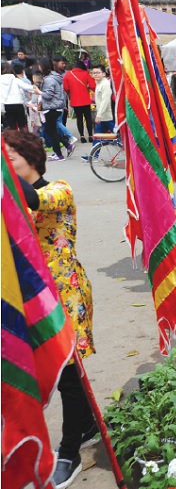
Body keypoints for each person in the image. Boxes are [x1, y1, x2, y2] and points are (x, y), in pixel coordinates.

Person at [4, 129, 97, 489]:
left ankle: (69, 451)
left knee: (68, 375)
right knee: (37, 369)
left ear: (32, 158)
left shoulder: (59, 189)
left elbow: (32, 200)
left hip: (64, 293)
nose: (7, 159)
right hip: (27, 298)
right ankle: (86, 424)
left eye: (11, 154)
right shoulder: (8, 200)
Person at [39, 57, 75, 161]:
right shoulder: (52, 77)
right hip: (55, 107)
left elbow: (48, 95)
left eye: (40, 65)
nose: (39, 67)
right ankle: (66, 146)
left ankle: (59, 154)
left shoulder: (49, 79)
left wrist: (39, 92)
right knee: (51, 131)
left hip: (52, 107)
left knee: (51, 132)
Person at [63, 59, 96, 143]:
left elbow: (66, 88)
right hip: (85, 100)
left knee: (79, 118)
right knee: (88, 118)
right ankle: (90, 135)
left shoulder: (68, 75)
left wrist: (71, 92)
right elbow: (93, 86)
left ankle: (82, 136)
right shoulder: (86, 74)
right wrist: (88, 87)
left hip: (75, 101)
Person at [2, 64, 39, 131]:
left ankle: (13, 140)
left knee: (11, 126)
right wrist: (36, 89)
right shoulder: (15, 79)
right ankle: (24, 139)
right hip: (18, 104)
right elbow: (26, 87)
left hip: (7, 105)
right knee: (22, 125)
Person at [91, 65, 114, 135]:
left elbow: (105, 101)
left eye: (98, 72)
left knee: (118, 136)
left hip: (108, 117)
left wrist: (99, 115)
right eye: (94, 73)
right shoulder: (98, 83)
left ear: (104, 74)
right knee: (97, 138)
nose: (95, 74)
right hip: (102, 117)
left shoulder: (105, 84)